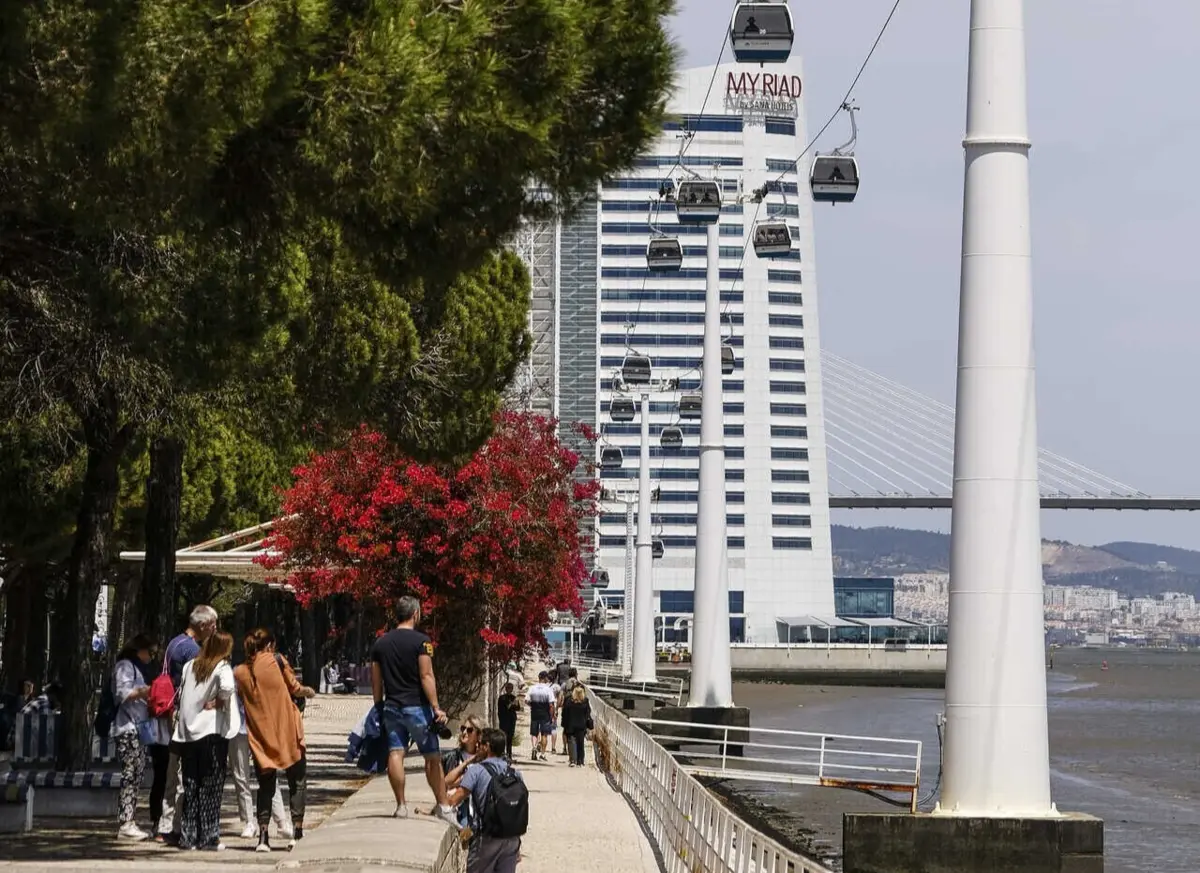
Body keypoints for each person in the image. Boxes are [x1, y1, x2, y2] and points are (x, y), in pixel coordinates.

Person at [369, 595, 457, 825]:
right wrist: (436, 707)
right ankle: (443, 805)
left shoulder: (380, 644)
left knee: (395, 753)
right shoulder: (422, 642)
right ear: (415, 614)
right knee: (432, 757)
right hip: (417, 707)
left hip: (392, 706)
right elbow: (426, 675)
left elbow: (376, 680)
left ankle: (401, 805)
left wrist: (378, 705)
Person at [235, 628, 316, 853]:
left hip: (260, 736)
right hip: (287, 730)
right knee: (297, 782)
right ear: (269, 645)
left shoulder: (240, 672)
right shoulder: (276, 660)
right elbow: (295, 688)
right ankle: (297, 833)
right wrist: (309, 692)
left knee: (265, 787)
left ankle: (263, 837)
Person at [156, 604, 218, 843]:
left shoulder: (175, 642)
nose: (214, 629)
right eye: (212, 625)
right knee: (184, 772)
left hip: (172, 713)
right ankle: (177, 827)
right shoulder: (192, 650)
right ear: (202, 625)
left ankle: (165, 824)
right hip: (185, 716)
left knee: (172, 772)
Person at [173, 630, 239, 852]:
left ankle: (188, 836)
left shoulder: (189, 666)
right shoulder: (222, 666)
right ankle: (209, 836)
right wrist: (219, 702)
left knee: (191, 784)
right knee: (211, 785)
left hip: (188, 732)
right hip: (211, 730)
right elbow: (228, 688)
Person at [111, 634, 170, 840]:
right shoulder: (125, 666)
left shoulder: (139, 669)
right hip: (127, 728)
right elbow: (122, 693)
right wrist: (147, 691)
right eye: (150, 652)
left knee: (137, 774)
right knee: (130, 774)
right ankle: (125, 822)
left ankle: (130, 819)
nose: (151, 657)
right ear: (139, 650)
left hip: (139, 729)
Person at [449, 727, 524, 873]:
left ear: (487, 746)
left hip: (486, 839)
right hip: (511, 840)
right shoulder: (515, 774)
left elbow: (454, 800)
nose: (477, 747)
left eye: (480, 744)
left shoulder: (476, 771)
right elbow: (516, 809)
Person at [228, 686, 292, 842]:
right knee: (240, 775)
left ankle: (281, 821)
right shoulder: (230, 673)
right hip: (236, 727)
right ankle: (249, 821)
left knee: (268, 772)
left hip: (259, 725)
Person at [440, 715, 484, 826]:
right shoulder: (453, 756)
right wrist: (468, 773)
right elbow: (447, 783)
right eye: (463, 728)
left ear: (478, 735)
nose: (464, 732)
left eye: (469, 730)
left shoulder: (483, 758)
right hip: (460, 807)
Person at [525, 672, 556, 761]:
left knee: (534, 733)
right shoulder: (548, 689)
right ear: (545, 678)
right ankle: (542, 753)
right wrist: (552, 715)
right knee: (544, 734)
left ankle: (534, 748)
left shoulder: (532, 688)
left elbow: (526, 700)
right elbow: (551, 704)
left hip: (535, 712)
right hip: (545, 713)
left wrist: (532, 705)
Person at [559, 684, 592, 768]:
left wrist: (564, 723)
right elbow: (588, 713)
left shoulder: (569, 701)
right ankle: (580, 761)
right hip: (581, 725)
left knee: (571, 741)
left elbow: (564, 713)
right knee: (580, 743)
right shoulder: (585, 701)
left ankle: (573, 760)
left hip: (570, 724)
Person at [496, 683, 519, 760]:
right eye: (508, 688)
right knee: (503, 737)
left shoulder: (514, 697)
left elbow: (518, 708)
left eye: (511, 688)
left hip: (511, 720)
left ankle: (509, 755)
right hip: (504, 720)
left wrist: (515, 704)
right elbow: (505, 707)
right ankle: (502, 754)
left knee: (510, 738)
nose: (509, 689)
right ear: (506, 689)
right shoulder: (502, 698)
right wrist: (512, 704)